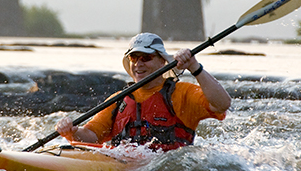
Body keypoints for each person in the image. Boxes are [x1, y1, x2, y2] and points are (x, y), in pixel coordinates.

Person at [55, 32, 231, 151]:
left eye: (146, 58)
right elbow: (92, 137)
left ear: (162, 61)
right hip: (125, 170)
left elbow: (222, 104)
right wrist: (71, 131)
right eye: (133, 58)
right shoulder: (118, 101)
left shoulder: (181, 93)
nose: (138, 64)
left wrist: (194, 67)